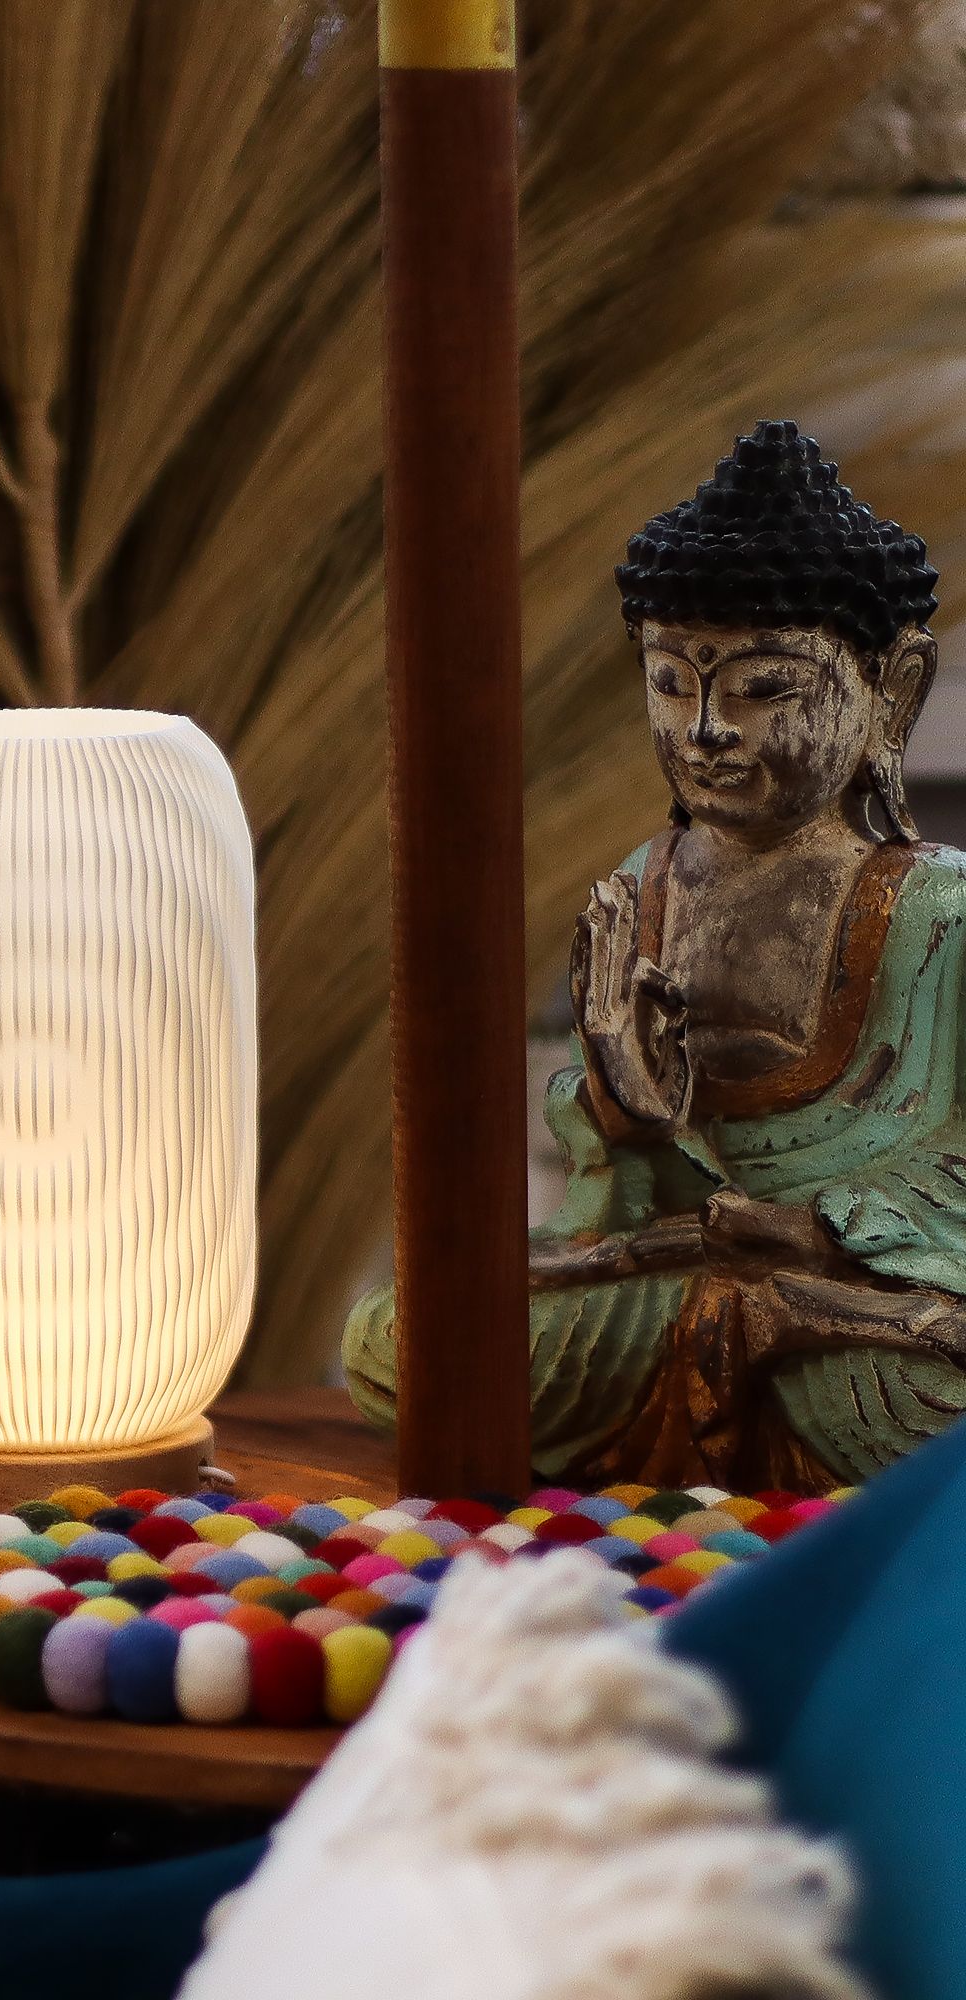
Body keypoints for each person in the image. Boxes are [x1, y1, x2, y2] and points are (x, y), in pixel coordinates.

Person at [346, 420, 964, 1493]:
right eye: (672, 682)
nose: (706, 728)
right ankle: (747, 1407)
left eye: (764, 688)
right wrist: (621, 1107)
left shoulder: (939, 911)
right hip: (677, 1278)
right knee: (403, 1337)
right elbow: (625, 1194)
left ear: (891, 691)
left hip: (863, 1308)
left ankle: (743, 1393)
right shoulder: (647, 886)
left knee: (923, 1395)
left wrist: (819, 1224)